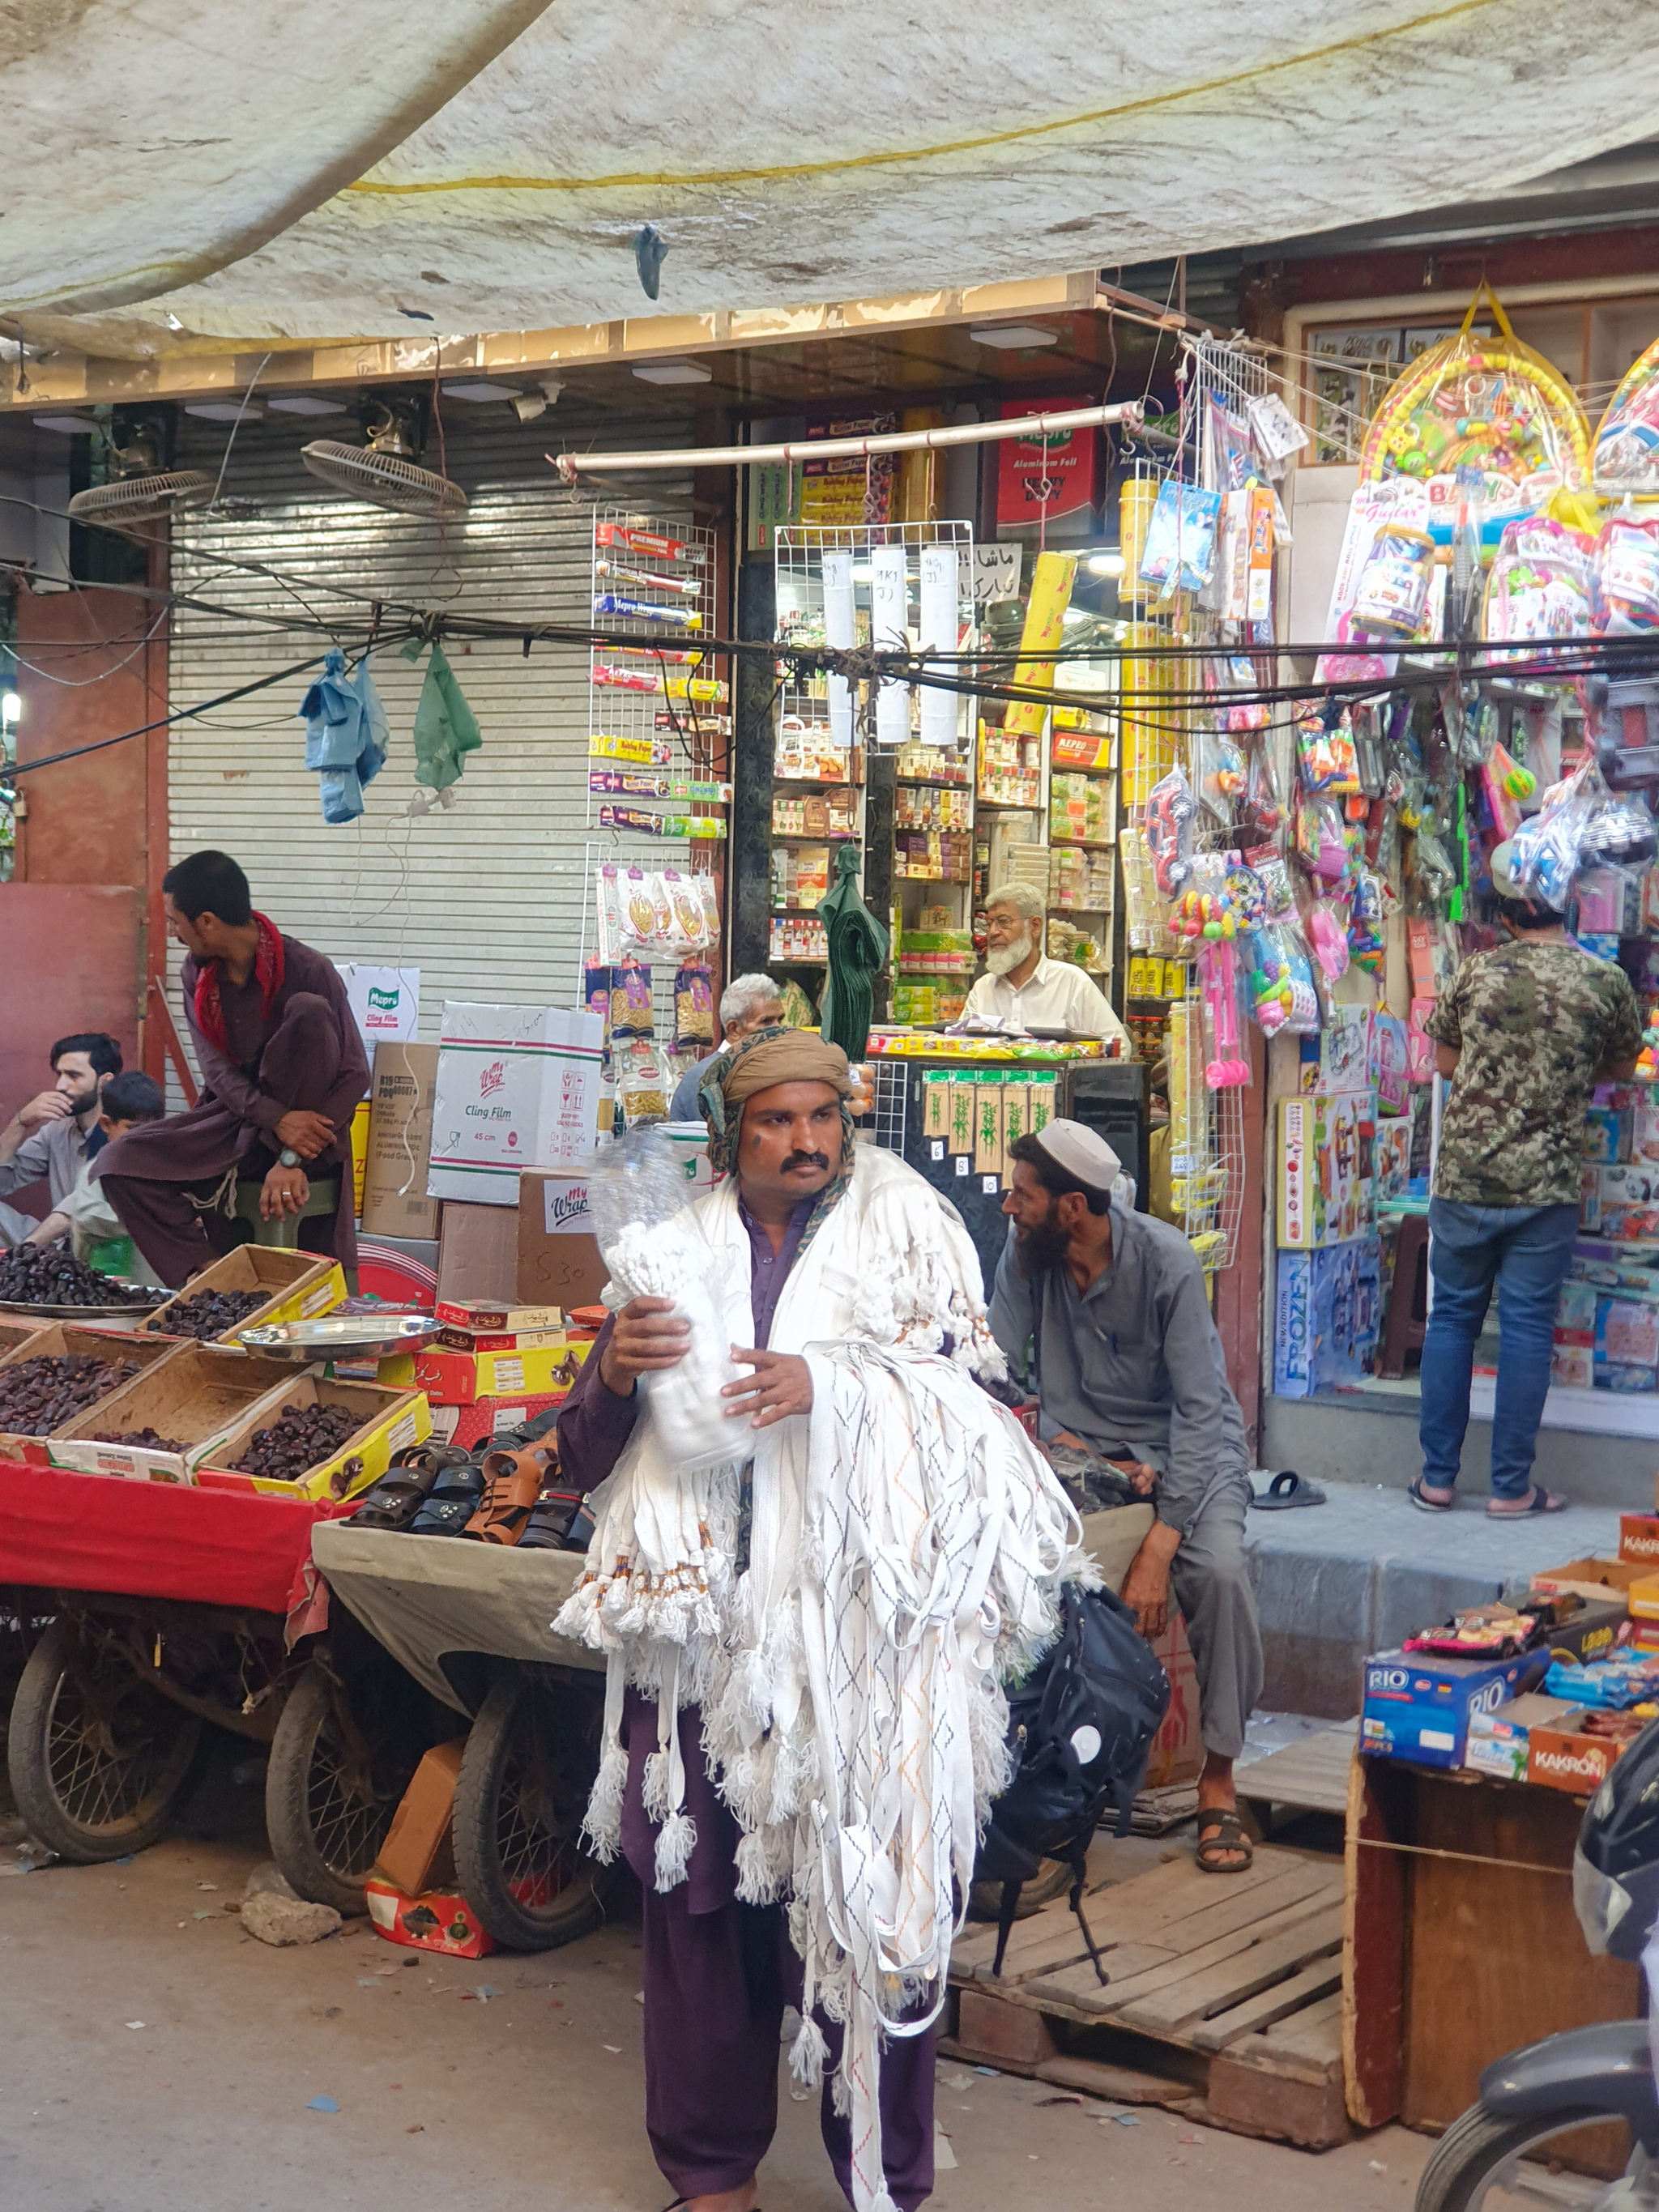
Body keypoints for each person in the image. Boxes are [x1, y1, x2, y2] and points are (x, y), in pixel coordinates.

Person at [555, 1025, 1073, 2212]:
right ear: (732, 1132)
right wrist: (617, 1370)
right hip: (698, 1635)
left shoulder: (915, 1234)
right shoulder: (669, 1252)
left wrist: (831, 1387)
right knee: (696, 1920)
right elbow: (586, 1453)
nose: (804, 1141)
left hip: (857, 1646)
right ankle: (708, 2170)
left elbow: (978, 1419)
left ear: (849, 1122)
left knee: (871, 1907)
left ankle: (883, 2175)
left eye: (822, 1119)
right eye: (777, 1121)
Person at [989, 1118, 1263, 1876]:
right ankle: (1039, 1786)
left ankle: (1218, 1780)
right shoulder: (1028, 1252)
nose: (1009, 1208)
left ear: (1072, 1207)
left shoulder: (1166, 1259)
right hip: (1081, 1455)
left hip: (1188, 1454)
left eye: (1023, 1195)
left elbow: (1205, 1413)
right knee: (1014, 1571)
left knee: (1219, 1574)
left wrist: (1163, 1537)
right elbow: (995, 1361)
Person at [1413, 842, 1641, 1518]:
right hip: (1544, 1186)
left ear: (1506, 913)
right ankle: (1512, 1488)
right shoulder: (1604, 983)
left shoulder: (1476, 971)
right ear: (1568, 903)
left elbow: (1447, 1061)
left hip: (1465, 1178)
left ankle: (1436, 1479)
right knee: (1526, 1329)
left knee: (1451, 1319)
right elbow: (1624, 1068)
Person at [96, 850, 369, 1289]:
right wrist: (277, 1120)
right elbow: (218, 1074)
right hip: (235, 1124)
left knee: (308, 1013)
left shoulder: (308, 968)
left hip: (313, 1139)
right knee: (117, 1160)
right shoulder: (196, 973)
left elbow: (356, 1074)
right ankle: (211, 1279)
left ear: (205, 922)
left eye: (174, 920)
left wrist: (291, 1155)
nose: (172, 932)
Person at [25, 1071, 167, 1283]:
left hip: (157, 1284)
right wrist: (156, 1217)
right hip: (103, 1282)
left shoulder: (168, 1169)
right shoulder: (97, 1170)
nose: (144, 1137)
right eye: (134, 1129)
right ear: (107, 1124)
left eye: (155, 1129)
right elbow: (88, 1216)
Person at [961, 883, 1130, 1051]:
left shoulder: (1071, 982)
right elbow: (960, 1046)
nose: (992, 932)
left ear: (1035, 926)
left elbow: (1119, 1047)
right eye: (989, 923)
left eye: (1003, 922)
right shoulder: (983, 988)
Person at [0, 1032, 124, 1247]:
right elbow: (3, 1183)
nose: (60, 1086)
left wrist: (25, 1251)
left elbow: (79, 1206)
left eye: (73, 1076)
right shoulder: (57, 1131)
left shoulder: (123, 1132)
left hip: (105, 1253)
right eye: (60, 1074)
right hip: (54, 1248)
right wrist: (19, 1123)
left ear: (105, 1082)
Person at [668, 972, 784, 1121]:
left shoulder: (755, 1071)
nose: (779, 1029)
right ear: (734, 1029)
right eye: (766, 1021)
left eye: (780, 1019)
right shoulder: (708, 1078)